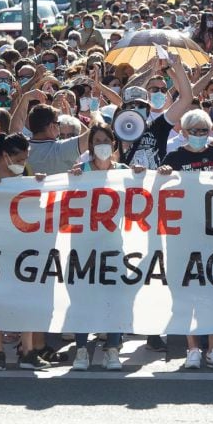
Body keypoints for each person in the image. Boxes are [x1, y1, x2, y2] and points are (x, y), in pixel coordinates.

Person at [158, 110, 213, 370]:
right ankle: (193, 348)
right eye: (195, 131)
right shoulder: (174, 157)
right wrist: (164, 174)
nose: (201, 135)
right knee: (187, 290)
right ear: (184, 132)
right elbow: (160, 189)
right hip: (183, 233)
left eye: (205, 130)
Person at [0, 132, 50, 370]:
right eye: (20, 158)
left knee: (26, 297)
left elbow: (34, 205)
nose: (24, 163)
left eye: (26, 159)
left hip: (19, 246)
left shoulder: (25, 172)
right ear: (5, 156)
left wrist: (39, 183)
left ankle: (28, 351)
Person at [68, 123, 141, 371]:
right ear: (90, 146)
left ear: (113, 144)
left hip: (112, 245)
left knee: (114, 298)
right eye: (96, 141)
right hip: (82, 246)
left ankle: (112, 349)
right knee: (82, 298)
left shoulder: (124, 171)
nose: (101, 145)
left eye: (105, 141)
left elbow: (142, 197)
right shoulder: (80, 172)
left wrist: (141, 175)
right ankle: (81, 350)